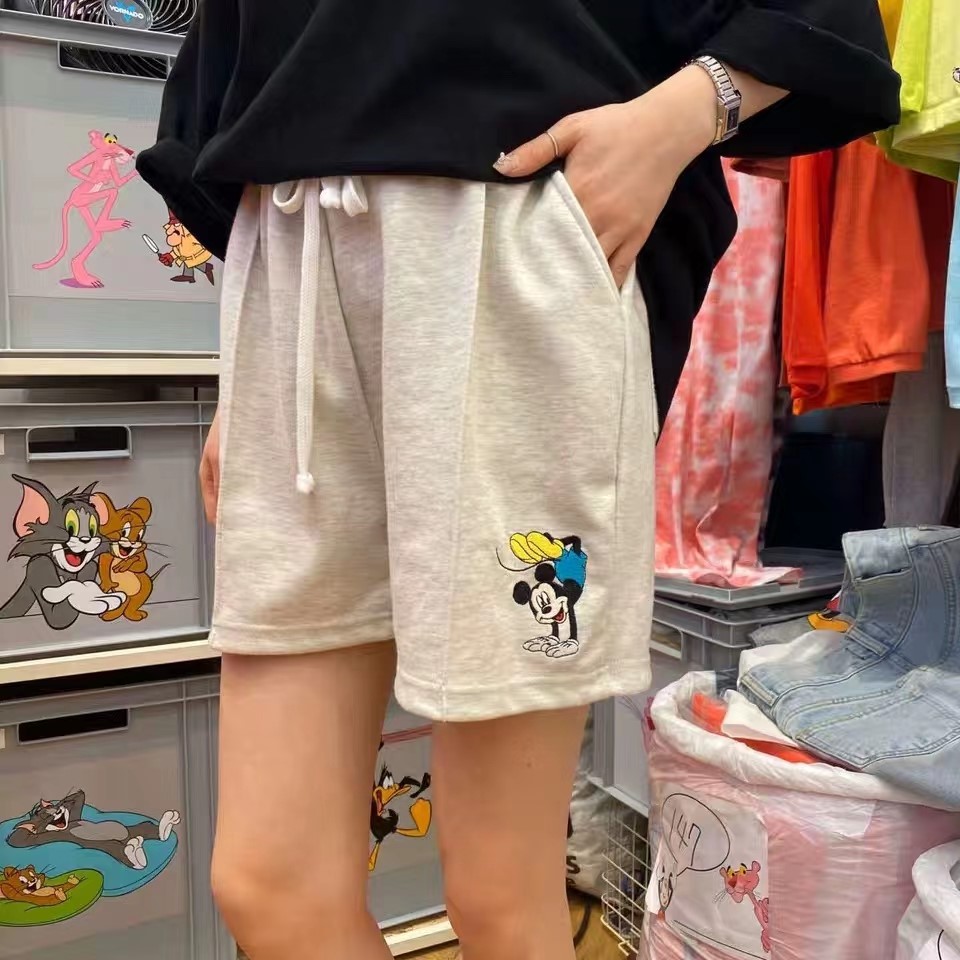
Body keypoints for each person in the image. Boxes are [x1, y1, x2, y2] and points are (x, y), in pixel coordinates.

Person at [138, 3, 899, 958]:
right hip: (291, 262)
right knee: (268, 884)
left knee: (500, 893)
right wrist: (244, 370)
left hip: (513, 235)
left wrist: (679, 115)